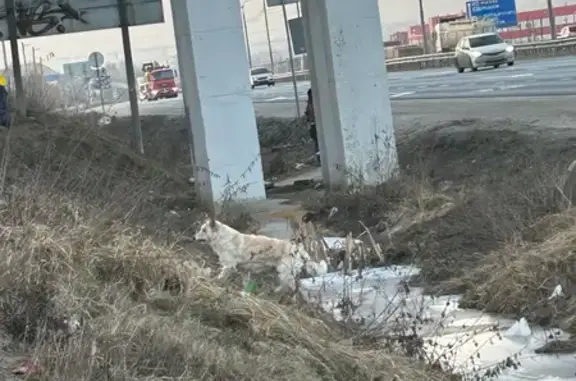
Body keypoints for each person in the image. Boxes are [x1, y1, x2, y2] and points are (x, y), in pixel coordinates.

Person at [305, 88, 320, 165]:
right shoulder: (313, 104)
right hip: (315, 125)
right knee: (318, 143)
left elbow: (308, 116)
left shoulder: (309, 104)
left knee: (317, 143)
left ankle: (319, 159)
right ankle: (319, 159)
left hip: (313, 126)